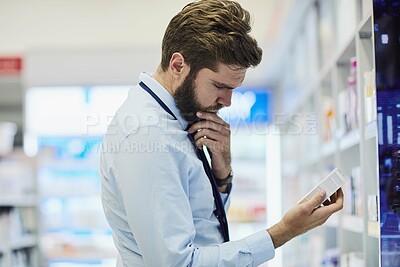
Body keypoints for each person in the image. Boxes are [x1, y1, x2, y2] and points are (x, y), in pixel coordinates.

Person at [99, 0, 344, 266]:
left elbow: (202, 226)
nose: (227, 101)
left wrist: (222, 174)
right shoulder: (148, 133)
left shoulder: (178, 118)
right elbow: (177, 263)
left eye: (233, 89)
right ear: (178, 65)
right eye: (219, 86)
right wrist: (283, 232)